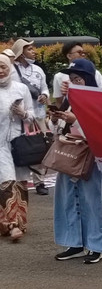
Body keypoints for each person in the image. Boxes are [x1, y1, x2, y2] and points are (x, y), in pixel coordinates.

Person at [50, 59, 102, 263]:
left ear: (89, 79)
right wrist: (56, 119)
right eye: (72, 79)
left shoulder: (97, 100)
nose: (74, 83)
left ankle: (95, 246)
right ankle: (74, 243)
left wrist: (75, 121)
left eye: (79, 79)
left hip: (89, 155)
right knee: (67, 199)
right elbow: (57, 127)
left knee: (91, 200)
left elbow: (100, 130)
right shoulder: (69, 99)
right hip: (69, 154)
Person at [0, 53, 34, 242]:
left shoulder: (21, 88)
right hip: (0, 145)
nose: (0, 71)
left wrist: (22, 113)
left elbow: (32, 115)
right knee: (6, 181)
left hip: (20, 144)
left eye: (3, 66)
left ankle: (18, 224)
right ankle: (12, 225)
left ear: (9, 68)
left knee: (20, 183)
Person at [11, 39, 50, 196]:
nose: (34, 52)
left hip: (37, 114)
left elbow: (45, 87)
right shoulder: (11, 71)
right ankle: (17, 181)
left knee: (38, 145)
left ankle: (39, 181)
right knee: (17, 146)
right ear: (20, 52)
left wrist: (44, 95)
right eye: (30, 49)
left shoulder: (38, 70)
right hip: (16, 116)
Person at [52, 42, 102, 107]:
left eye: (84, 52)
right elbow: (59, 102)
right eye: (79, 52)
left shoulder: (94, 72)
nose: (83, 55)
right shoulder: (59, 76)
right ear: (69, 56)